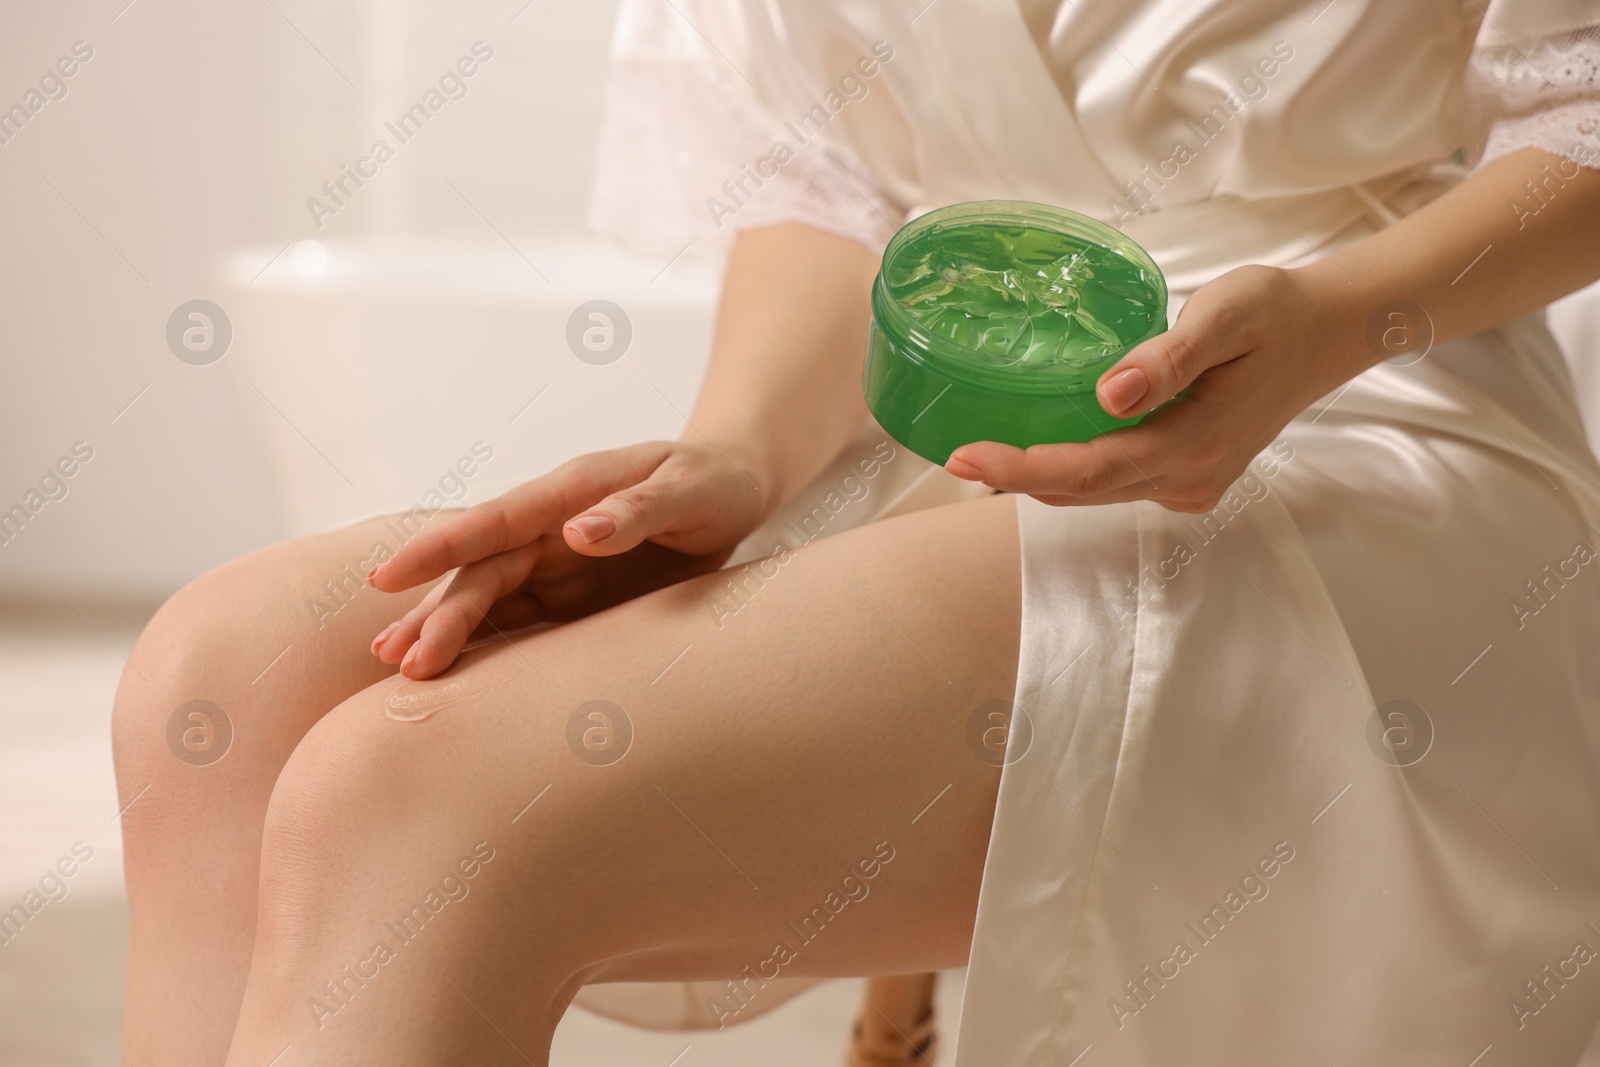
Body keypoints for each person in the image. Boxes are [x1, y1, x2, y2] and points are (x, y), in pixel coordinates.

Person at [112, 0, 1600, 1063]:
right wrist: (735, 455)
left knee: (406, 791)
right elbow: (825, 165)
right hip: (928, 402)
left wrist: (1335, 320)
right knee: (220, 678)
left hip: (1346, 402)